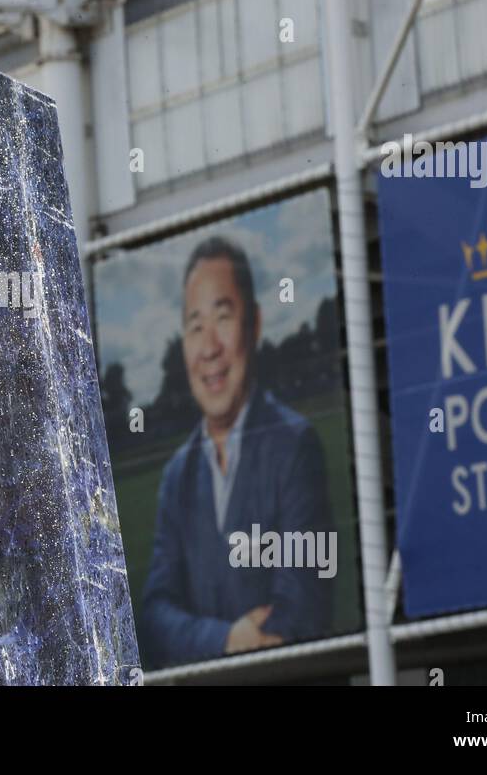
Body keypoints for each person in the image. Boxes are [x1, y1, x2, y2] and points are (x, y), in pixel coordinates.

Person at [142, 236, 333, 668]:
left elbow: (303, 606)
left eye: (223, 317)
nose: (209, 347)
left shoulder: (295, 444)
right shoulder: (177, 476)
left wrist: (194, 639)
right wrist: (227, 638)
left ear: (255, 324)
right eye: (194, 325)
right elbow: (153, 619)